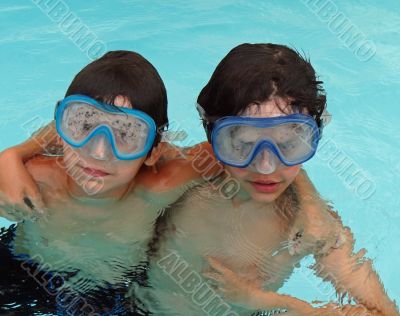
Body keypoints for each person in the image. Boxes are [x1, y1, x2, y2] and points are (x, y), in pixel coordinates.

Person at [139, 43, 399, 316]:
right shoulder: (178, 180)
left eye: (288, 144)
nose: (265, 167)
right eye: (243, 144)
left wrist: (265, 302)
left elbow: (384, 314)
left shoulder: (313, 226)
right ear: (213, 135)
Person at [0, 50, 205, 315]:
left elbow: (232, 151)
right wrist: (11, 155)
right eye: (84, 127)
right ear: (63, 128)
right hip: (19, 269)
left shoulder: (155, 189)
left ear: (153, 151)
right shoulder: (35, 176)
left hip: (108, 293)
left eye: (126, 135)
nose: (98, 153)